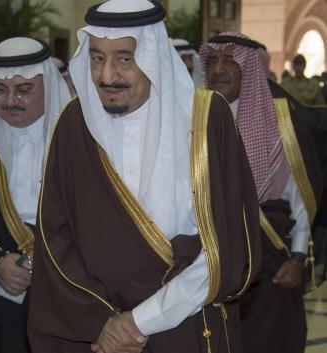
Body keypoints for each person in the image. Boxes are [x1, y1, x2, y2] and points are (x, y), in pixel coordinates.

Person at [27, 1, 262, 352]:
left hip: (185, 326)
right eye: (97, 58)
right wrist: (102, 322)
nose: (107, 76)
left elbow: (227, 245)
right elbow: (54, 239)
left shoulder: (206, 119)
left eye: (124, 58)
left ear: (152, 56)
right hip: (96, 333)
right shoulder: (73, 123)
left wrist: (140, 321)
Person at [200, 31, 323, 353]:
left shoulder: (279, 122)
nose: (218, 70)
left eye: (230, 61)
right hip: (211, 261)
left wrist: (298, 257)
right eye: (212, 61)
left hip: (270, 261)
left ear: (250, 68)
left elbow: (299, 198)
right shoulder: (195, 119)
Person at [0, 37, 71, 353]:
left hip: (65, 284)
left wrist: (51, 260)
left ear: (47, 85)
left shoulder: (77, 131)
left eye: (24, 90)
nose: (10, 101)